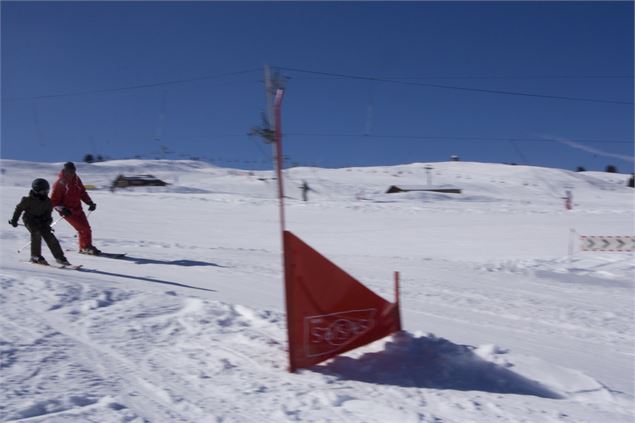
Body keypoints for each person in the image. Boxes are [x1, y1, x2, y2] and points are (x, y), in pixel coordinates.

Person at [9, 178, 71, 265]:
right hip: (29, 219)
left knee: (50, 236)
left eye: (47, 191)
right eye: (43, 191)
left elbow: (48, 215)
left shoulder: (48, 202)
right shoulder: (27, 200)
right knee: (36, 233)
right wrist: (14, 220)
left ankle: (60, 257)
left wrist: (47, 223)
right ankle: (35, 256)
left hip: (42, 221)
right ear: (36, 190)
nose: (45, 193)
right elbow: (19, 209)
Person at [51, 161, 101, 255]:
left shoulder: (76, 179)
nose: (72, 173)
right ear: (65, 171)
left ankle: (87, 246)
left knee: (87, 228)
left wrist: (89, 202)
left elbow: (82, 192)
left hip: (78, 209)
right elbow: (54, 202)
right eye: (69, 171)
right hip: (68, 212)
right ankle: (85, 247)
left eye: (73, 171)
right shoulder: (59, 184)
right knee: (82, 229)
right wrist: (62, 209)